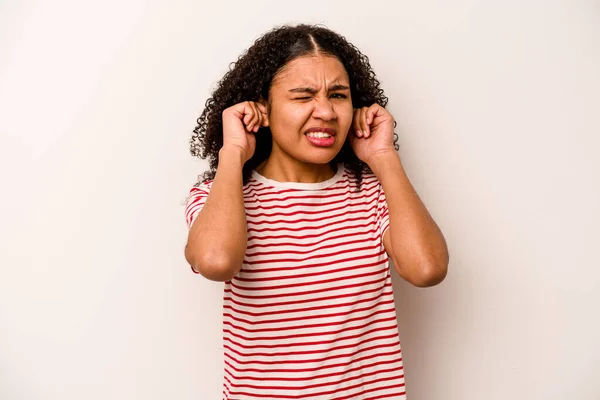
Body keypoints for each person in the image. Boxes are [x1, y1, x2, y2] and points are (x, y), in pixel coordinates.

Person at [184, 24, 449, 400]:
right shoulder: (220, 197)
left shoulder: (373, 192)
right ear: (263, 107)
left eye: (338, 95)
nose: (325, 111)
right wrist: (232, 153)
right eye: (303, 96)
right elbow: (215, 261)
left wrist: (383, 158)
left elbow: (427, 269)